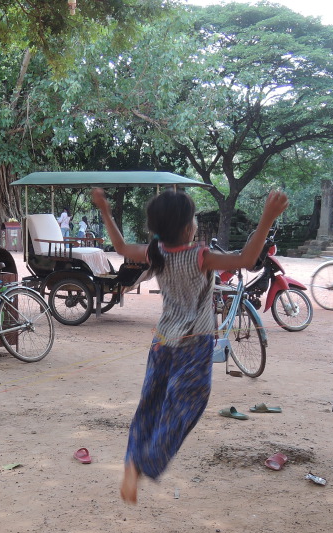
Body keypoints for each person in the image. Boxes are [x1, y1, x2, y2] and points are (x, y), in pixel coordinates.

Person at [92, 185, 289, 503]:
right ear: (187, 228)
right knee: (182, 408)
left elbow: (118, 245)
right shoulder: (200, 256)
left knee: (151, 405)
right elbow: (247, 258)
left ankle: (132, 459)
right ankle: (145, 462)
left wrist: (104, 208)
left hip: (162, 342)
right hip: (192, 345)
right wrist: (266, 217)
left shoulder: (154, 252)